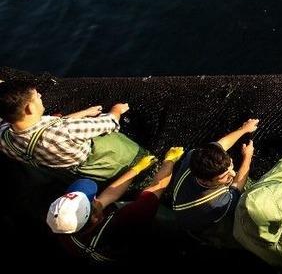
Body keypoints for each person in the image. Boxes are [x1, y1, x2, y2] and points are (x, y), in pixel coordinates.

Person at [46, 147, 184, 263]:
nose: (94, 199)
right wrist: (169, 161)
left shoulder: (62, 224)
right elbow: (155, 190)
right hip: (129, 238)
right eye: (91, 201)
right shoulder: (129, 218)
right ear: (95, 218)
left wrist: (136, 170)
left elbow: (105, 198)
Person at [0, 80, 145, 181]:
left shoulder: (3, 137)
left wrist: (85, 112)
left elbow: (53, 125)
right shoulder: (67, 132)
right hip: (100, 159)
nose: (41, 96)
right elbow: (109, 122)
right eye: (37, 96)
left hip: (73, 171)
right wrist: (116, 110)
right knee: (137, 156)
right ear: (30, 108)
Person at [168, 118, 257, 245]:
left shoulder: (194, 156)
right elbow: (238, 185)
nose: (232, 173)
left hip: (183, 199)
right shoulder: (217, 202)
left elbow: (221, 144)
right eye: (224, 176)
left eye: (231, 167)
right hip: (197, 225)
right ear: (207, 181)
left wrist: (244, 129)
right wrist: (248, 156)